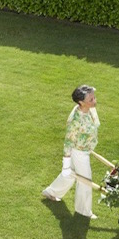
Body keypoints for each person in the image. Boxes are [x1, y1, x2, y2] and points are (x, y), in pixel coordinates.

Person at [42, 84, 100, 219]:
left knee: (71, 174)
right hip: (79, 152)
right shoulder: (76, 120)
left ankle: (52, 192)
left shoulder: (89, 109)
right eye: (91, 99)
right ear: (81, 102)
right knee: (85, 180)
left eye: (94, 97)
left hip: (85, 149)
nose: (94, 101)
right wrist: (66, 163)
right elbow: (68, 141)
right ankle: (84, 211)